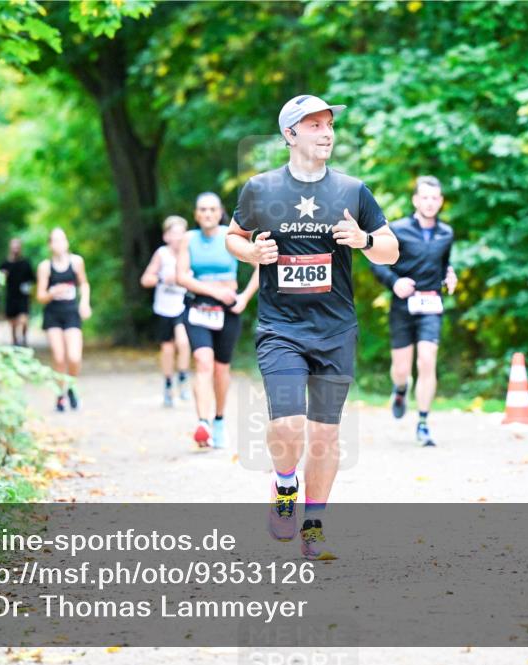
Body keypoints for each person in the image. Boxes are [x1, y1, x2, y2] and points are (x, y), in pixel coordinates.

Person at [226, 94, 398, 560]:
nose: (327, 132)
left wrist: (363, 240)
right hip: (281, 327)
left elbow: (390, 249)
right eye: (315, 125)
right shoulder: (260, 190)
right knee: (287, 427)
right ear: (290, 134)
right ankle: (285, 488)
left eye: (329, 125)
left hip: (336, 329)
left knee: (324, 436)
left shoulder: (352, 190)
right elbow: (234, 237)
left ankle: (315, 523)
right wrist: (252, 254)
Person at [370, 176, 458, 447]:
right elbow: (377, 262)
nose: (430, 203)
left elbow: (444, 265)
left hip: (431, 305)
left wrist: (450, 275)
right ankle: (400, 389)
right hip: (403, 306)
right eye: (425, 197)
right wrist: (394, 282)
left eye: (435, 198)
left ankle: (423, 423)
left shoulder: (446, 233)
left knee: (428, 360)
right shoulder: (397, 229)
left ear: (441, 202)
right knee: (401, 368)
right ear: (416, 200)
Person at [176, 193, 259, 450]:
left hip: (228, 309)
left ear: (220, 211)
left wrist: (243, 298)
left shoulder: (232, 236)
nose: (208, 214)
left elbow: (262, 266)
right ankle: (203, 423)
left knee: (221, 369)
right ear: (196, 214)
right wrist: (213, 291)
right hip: (199, 307)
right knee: (202, 361)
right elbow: (181, 277)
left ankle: (219, 419)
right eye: (203, 209)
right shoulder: (188, 239)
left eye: (212, 209)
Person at [36, 228, 92, 412]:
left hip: (71, 312)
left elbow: (84, 283)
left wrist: (84, 303)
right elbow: (40, 296)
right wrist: (52, 293)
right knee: (59, 357)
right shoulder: (45, 266)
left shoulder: (76, 262)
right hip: (53, 313)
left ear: (67, 242)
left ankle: (72, 386)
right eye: (55, 240)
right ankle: (60, 394)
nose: (59, 244)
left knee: (74, 357)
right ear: (50, 245)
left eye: (62, 239)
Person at [140, 216, 192, 407]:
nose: (178, 237)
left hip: (183, 305)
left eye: (182, 233)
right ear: (166, 236)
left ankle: (184, 378)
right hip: (164, 308)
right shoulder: (162, 254)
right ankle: (169, 384)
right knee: (168, 349)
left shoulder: (190, 253)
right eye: (174, 233)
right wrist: (163, 278)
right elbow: (146, 279)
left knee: (184, 342)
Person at [0, 237, 34, 347]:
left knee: (23, 320)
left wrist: (30, 290)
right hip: (11, 296)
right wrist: (2, 276)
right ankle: (15, 342)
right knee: (13, 323)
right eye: (14, 247)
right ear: (10, 248)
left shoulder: (25, 263)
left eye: (17, 247)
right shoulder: (4, 264)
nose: (15, 249)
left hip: (23, 296)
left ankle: (23, 339)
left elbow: (33, 280)